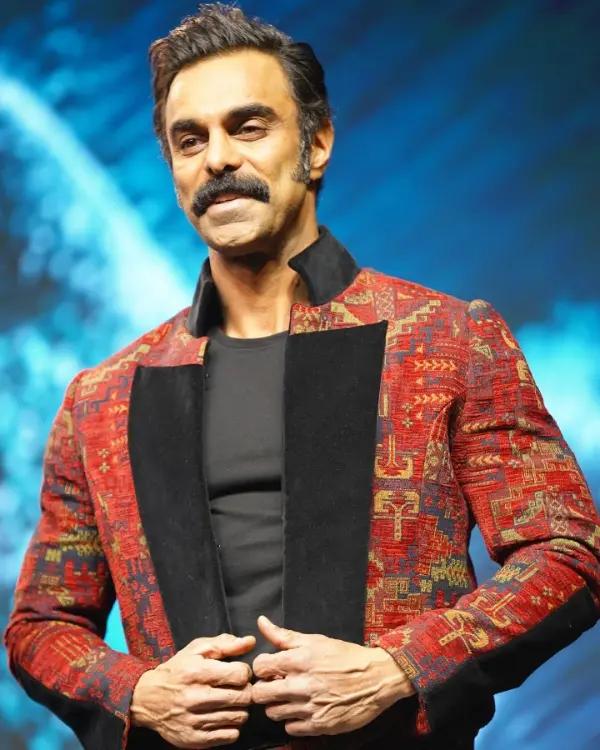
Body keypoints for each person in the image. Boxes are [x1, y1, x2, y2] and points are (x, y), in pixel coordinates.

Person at [5, 4, 600, 750]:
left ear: (316, 145)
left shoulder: (447, 339)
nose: (218, 158)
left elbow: (565, 553)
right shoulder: (102, 398)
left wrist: (399, 668)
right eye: (191, 140)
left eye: (248, 127)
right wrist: (137, 693)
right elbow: (41, 625)